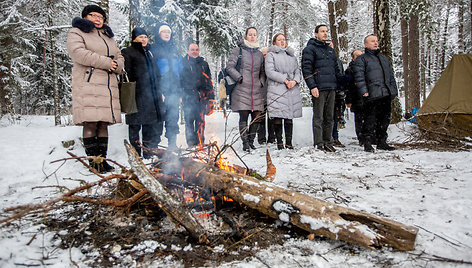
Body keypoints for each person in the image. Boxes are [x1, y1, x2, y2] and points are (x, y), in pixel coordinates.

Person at [67, 4, 124, 173]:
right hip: (89, 83)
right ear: (85, 17)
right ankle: (93, 162)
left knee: (103, 123)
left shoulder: (107, 36)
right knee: (91, 121)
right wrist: (107, 63)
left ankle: (103, 160)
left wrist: (117, 65)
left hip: (107, 85)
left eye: (100, 17)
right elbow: (78, 53)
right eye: (93, 16)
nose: (97, 19)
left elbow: (118, 55)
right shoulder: (77, 32)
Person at [121, 27, 164, 158]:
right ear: (134, 39)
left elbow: (157, 74)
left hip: (151, 95)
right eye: (140, 37)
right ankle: (135, 153)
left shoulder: (149, 53)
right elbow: (126, 74)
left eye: (145, 37)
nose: (144, 39)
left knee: (149, 124)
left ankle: (147, 153)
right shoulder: (128, 52)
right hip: (136, 94)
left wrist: (159, 91)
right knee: (135, 125)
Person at [353, 35, 398, 152]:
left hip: (385, 93)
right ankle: (367, 142)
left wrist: (393, 90)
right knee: (370, 120)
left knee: (385, 119)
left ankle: (382, 141)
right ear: (366, 44)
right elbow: (359, 77)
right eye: (372, 41)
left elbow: (391, 76)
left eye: (376, 41)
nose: (375, 43)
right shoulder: (361, 59)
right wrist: (364, 91)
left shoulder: (383, 59)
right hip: (371, 95)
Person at [301, 25, 342, 152]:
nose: (325, 33)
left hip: (331, 87)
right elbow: (306, 68)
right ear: (316, 34)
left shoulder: (330, 50)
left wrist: (339, 86)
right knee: (319, 117)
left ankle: (328, 141)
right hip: (319, 87)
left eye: (326, 31)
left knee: (330, 117)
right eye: (322, 31)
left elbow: (336, 69)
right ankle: (319, 143)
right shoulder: (310, 49)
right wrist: (312, 86)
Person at [226, 27, 266, 152]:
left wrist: (261, 81)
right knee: (244, 116)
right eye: (250, 34)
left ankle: (251, 141)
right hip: (242, 88)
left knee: (256, 116)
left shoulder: (259, 54)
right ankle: (245, 143)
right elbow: (229, 67)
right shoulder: (238, 50)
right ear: (246, 36)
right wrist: (239, 78)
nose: (253, 37)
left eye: (255, 34)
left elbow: (263, 71)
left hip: (256, 90)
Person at [265, 33, 302, 149]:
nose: (282, 41)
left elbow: (297, 71)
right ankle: (279, 143)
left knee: (289, 117)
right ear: (274, 42)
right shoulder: (271, 55)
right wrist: (285, 80)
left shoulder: (292, 56)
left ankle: (289, 142)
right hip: (277, 88)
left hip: (291, 88)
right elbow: (270, 72)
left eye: (284, 39)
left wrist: (295, 81)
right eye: (279, 40)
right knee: (278, 116)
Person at [151, 23, 183, 150]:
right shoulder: (153, 49)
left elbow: (180, 72)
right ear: (159, 34)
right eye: (164, 32)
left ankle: (172, 145)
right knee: (158, 118)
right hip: (160, 88)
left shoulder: (174, 50)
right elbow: (152, 71)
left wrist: (180, 92)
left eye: (168, 32)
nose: (166, 34)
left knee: (173, 117)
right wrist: (159, 90)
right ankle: (154, 146)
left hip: (174, 88)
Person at [181, 42, 215, 147]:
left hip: (201, 97)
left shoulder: (204, 64)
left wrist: (211, 98)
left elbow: (209, 81)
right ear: (188, 51)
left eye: (196, 49)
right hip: (188, 97)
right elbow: (179, 80)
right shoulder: (182, 63)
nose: (195, 52)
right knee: (189, 122)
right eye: (192, 50)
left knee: (200, 122)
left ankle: (200, 144)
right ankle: (191, 144)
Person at [326, 40, 346, 148]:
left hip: (337, 91)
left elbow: (340, 74)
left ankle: (335, 137)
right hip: (327, 90)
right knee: (328, 116)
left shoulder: (337, 61)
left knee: (336, 115)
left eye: (331, 45)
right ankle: (328, 138)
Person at [344, 49, 365, 146]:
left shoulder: (367, 67)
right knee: (359, 119)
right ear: (353, 58)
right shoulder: (349, 70)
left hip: (368, 98)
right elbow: (348, 86)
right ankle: (362, 139)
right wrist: (348, 100)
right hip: (356, 98)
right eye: (357, 56)